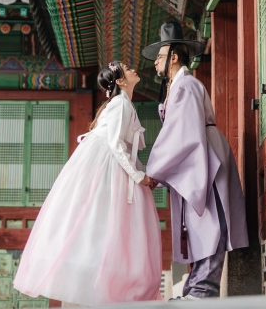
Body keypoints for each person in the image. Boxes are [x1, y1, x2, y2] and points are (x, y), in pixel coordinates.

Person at [12, 62, 163, 305]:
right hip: (106, 165)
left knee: (101, 222)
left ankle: (105, 284)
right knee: (102, 220)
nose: (132, 68)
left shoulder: (122, 103)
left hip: (104, 162)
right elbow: (115, 144)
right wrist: (137, 176)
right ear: (122, 82)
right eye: (126, 68)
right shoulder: (121, 104)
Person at [143, 21, 248, 300]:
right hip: (197, 153)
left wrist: (155, 170)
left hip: (204, 156)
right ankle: (197, 285)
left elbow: (182, 131)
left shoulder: (186, 85)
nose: (155, 64)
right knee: (202, 225)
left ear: (174, 57)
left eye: (160, 58)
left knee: (213, 222)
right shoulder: (180, 86)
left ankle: (203, 289)